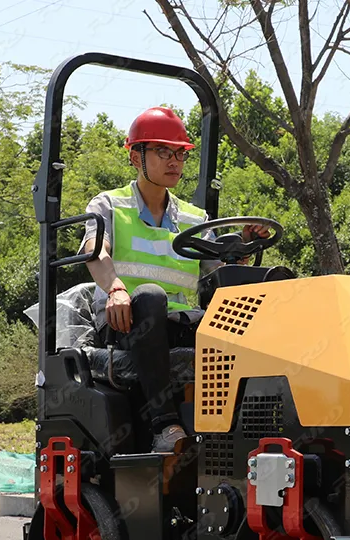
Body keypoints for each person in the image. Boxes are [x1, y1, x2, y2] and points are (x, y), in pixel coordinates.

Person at [80, 106, 268, 453]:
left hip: (178, 323)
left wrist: (239, 246)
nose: (175, 162)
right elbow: (95, 252)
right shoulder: (109, 204)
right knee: (150, 295)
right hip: (124, 321)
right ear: (136, 156)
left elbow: (217, 275)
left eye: (180, 153)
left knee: (256, 306)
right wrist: (116, 289)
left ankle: (248, 428)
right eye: (163, 152)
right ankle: (165, 427)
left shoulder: (195, 219)